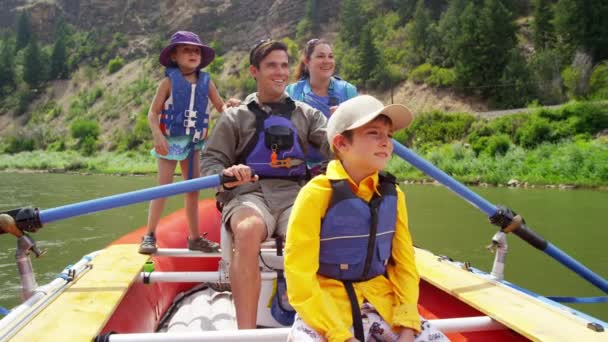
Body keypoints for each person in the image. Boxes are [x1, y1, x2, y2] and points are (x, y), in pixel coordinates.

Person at [284, 95, 449, 342]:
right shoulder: (316, 194)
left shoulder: (393, 194)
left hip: (382, 302)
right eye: (374, 133)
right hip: (326, 308)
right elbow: (299, 277)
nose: (386, 143)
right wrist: (340, 336)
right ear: (341, 143)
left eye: (390, 135)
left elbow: (404, 265)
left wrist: (407, 325)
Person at [200, 39, 330, 328]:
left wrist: (359, 139)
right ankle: (245, 333)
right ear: (254, 71)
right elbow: (211, 162)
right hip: (249, 194)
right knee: (247, 231)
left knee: (316, 233)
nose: (280, 72)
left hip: (294, 194)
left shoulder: (307, 115)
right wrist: (228, 175)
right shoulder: (235, 117)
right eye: (271, 65)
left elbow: (335, 145)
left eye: (284, 65)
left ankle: (318, 324)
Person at [139, 31, 238, 255]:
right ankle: (149, 235)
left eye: (196, 51)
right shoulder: (167, 82)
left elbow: (221, 107)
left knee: (192, 190)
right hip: (170, 142)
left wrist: (230, 107)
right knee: (162, 188)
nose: (193, 54)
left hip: (195, 143)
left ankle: (194, 238)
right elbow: (152, 113)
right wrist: (158, 136)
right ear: (174, 56)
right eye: (187, 50)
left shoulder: (207, 81)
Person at [286, 38, 357, 173]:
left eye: (330, 56)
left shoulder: (348, 90)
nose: (327, 61)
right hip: (301, 168)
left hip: (341, 165)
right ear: (307, 61)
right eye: (320, 56)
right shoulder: (291, 92)